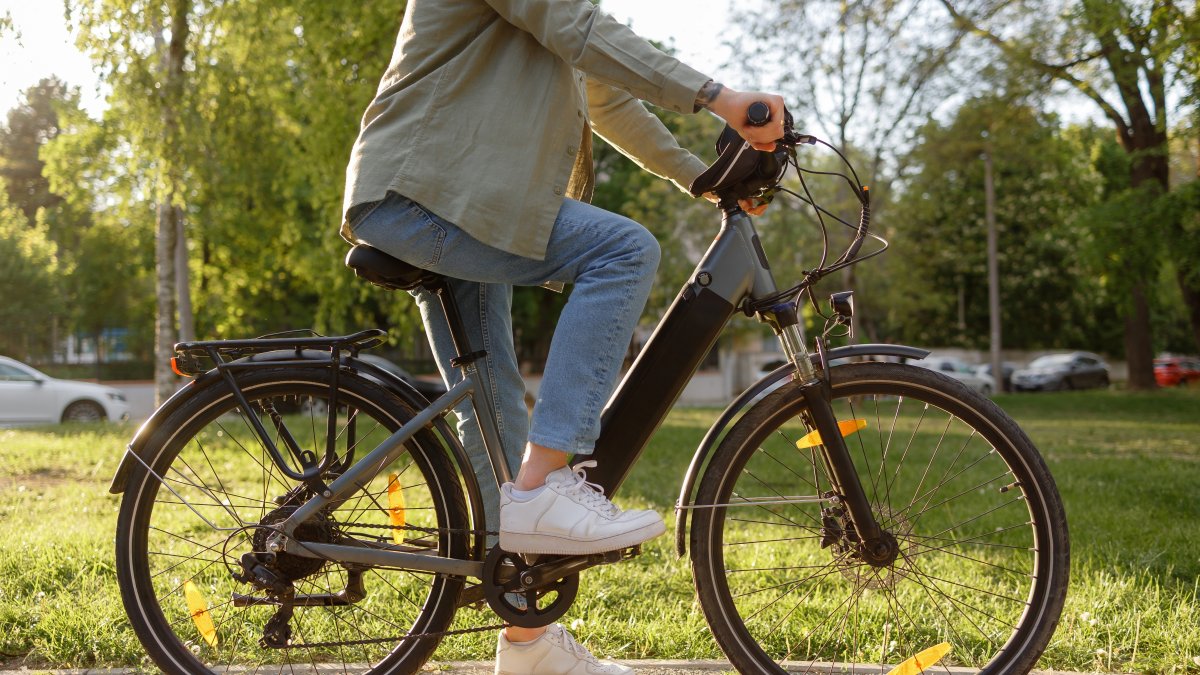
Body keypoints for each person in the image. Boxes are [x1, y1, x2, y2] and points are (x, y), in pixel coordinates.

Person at [341, 1, 784, 673]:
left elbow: (603, 95)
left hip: (460, 197)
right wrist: (719, 98)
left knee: (495, 421)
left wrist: (699, 175)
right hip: (427, 191)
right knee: (624, 251)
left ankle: (528, 642)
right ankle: (546, 486)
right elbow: (580, 32)